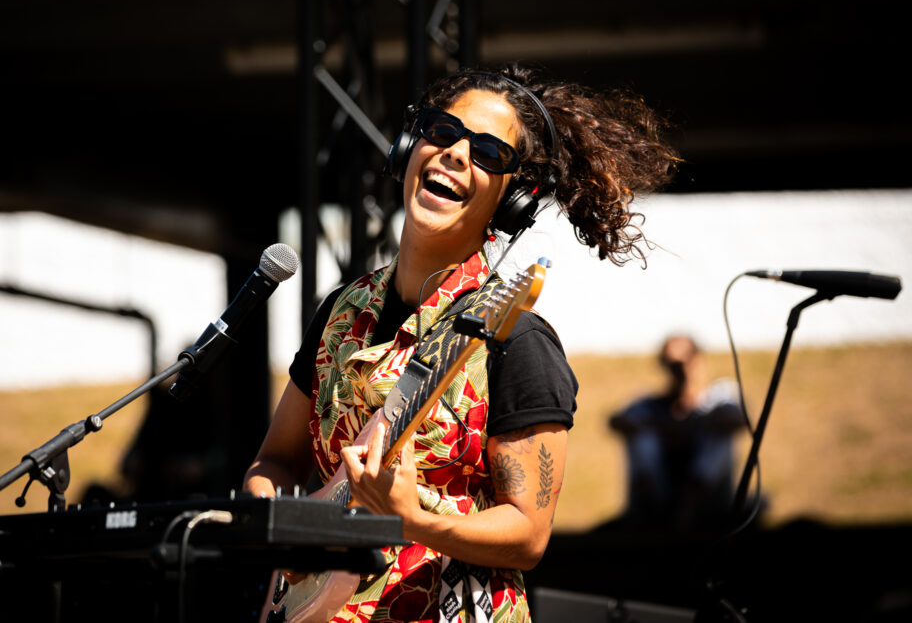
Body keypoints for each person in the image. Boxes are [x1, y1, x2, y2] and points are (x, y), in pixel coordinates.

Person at [243, 63, 680, 622]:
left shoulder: (517, 339)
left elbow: (528, 535)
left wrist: (415, 521)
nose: (455, 154)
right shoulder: (340, 311)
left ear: (511, 199)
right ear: (409, 147)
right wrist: (282, 530)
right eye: (443, 132)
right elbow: (276, 460)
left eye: (489, 153)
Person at [608, 335, 747, 534]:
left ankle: (690, 505)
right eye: (673, 363)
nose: (681, 369)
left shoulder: (718, 398)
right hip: (659, 499)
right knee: (642, 439)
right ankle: (657, 516)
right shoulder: (649, 405)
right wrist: (663, 426)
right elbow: (617, 421)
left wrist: (691, 424)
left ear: (699, 360)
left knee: (719, 437)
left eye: (686, 359)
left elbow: (738, 419)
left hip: (711, 501)